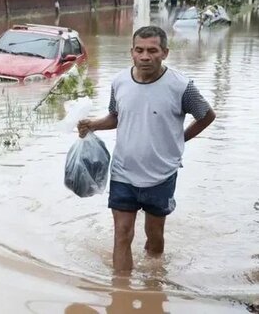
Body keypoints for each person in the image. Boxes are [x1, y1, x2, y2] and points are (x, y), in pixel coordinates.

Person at [77, 25, 216, 274]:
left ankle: (153, 284)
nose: (145, 56)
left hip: (161, 174)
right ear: (131, 52)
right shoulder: (119, 81)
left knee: (154, 238)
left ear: (165, 52)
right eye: (139, 50)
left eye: (152, 50)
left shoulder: (181, 86)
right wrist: (93, 125)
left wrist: (180, 139)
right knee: (122, 234)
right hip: (123, 172)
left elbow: (206, 116)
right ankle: (121, 293)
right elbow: (116, 116)